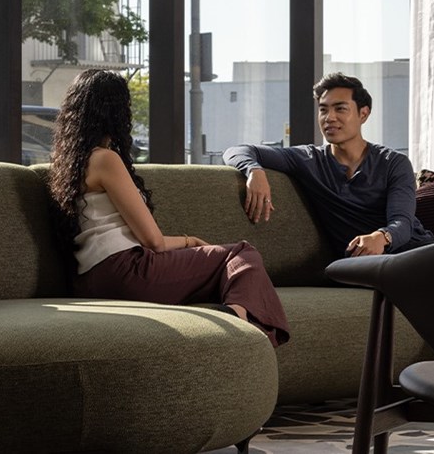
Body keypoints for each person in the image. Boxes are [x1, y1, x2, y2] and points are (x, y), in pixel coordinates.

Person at [48, 69, 290, 347]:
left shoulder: (66, 165)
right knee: (241, 254)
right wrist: (191, 241)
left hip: (89, 280)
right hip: (126, 272)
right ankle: (238, 328)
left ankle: (239, 316)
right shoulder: (106, 160)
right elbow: (154, 241)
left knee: (230, 277)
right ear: (114, 112)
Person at [223, 72, 434, 259]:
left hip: (418, 251)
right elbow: (236, 150)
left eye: (340, 109)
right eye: (323, 110)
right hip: (364, 264)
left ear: (363, 114)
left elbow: (402, 223)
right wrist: (254, 170)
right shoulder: (307, 159)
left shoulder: (394, 163)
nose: (329, 118)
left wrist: (381, 237)